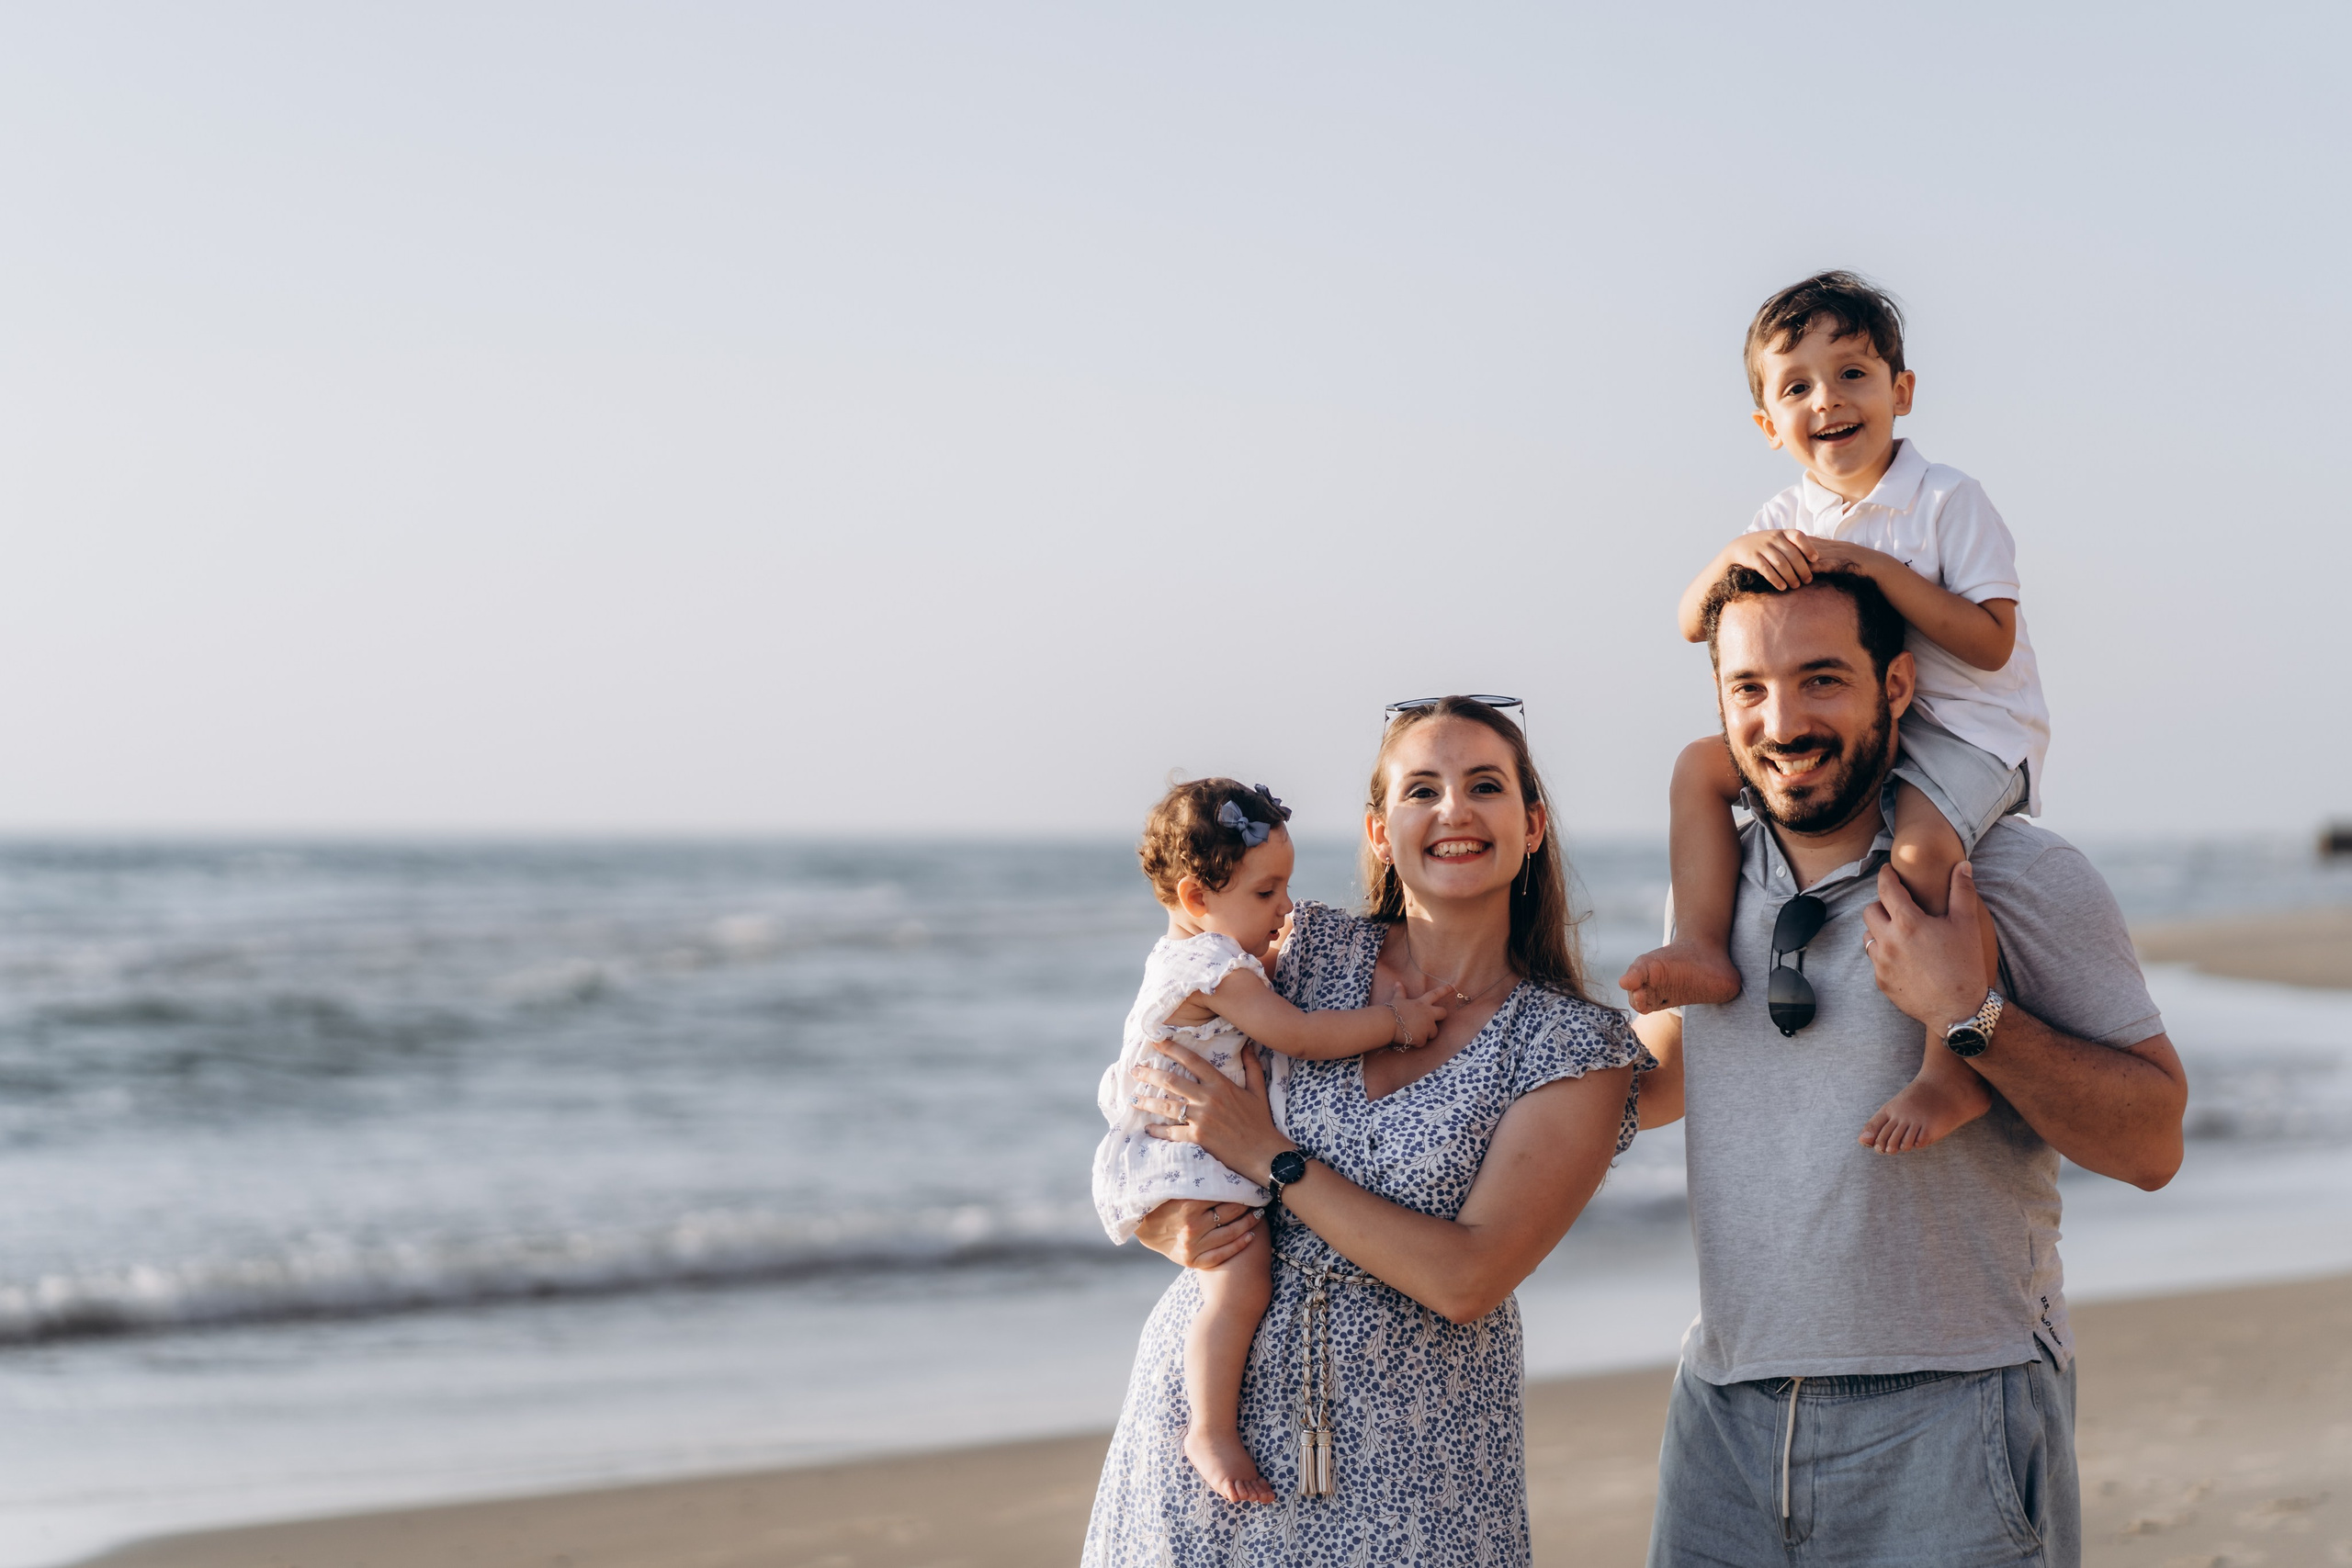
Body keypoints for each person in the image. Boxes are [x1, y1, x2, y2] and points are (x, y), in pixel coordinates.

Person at [1632, 569, 2187, 1567]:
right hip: (1723, 1420)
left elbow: (2152, 1144)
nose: (1781, 722)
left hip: (1955, 1413)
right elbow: (1677, 1070)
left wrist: (1969, 1016)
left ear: (1895, 685)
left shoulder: (2016, 874)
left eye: (1821, 679)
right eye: (1749, 687)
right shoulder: (1710, 886)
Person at [1082, 697, 1646, 1566]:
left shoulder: (1571, 1045)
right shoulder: (1295, 955)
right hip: (1207, 1447)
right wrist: (1161, 1219)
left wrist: (1272, 1157)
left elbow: (1467, 1278)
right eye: (1422, 789)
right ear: (1380, 832)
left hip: (1417, 1461)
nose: (1453, 810)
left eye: (1484, 785)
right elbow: (1155, 1082)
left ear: (1532, 825)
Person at [1621, 271, 2052, 1154]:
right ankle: (1703, 944)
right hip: (1860, 733)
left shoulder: (1947, 501)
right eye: (1797, 387)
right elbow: (1694, 622)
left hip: (1969, 733)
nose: (1827, 400)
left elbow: (1990, 642)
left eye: (1852, 373)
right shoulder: (1783, 513)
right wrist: (1733, 555)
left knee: (1923, 854)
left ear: (1902, 391)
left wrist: (1875, 570)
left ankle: (1951, 1065)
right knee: (1697, 767)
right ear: (1767, 425)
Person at [1091, 776, 1452, 1504]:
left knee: (1232, 1278)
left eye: (1285, 885)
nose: (1285, 906)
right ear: (1196, 897)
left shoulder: (1199, 958)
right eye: (1265, 892)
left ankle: (1210, 1422)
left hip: (1183, 1143)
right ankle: (1209, 1428)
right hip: (1187, 1153)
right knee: (1241, 1279)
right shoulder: (1213, 967)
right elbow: (1300, 1033)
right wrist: (1396, 1023)